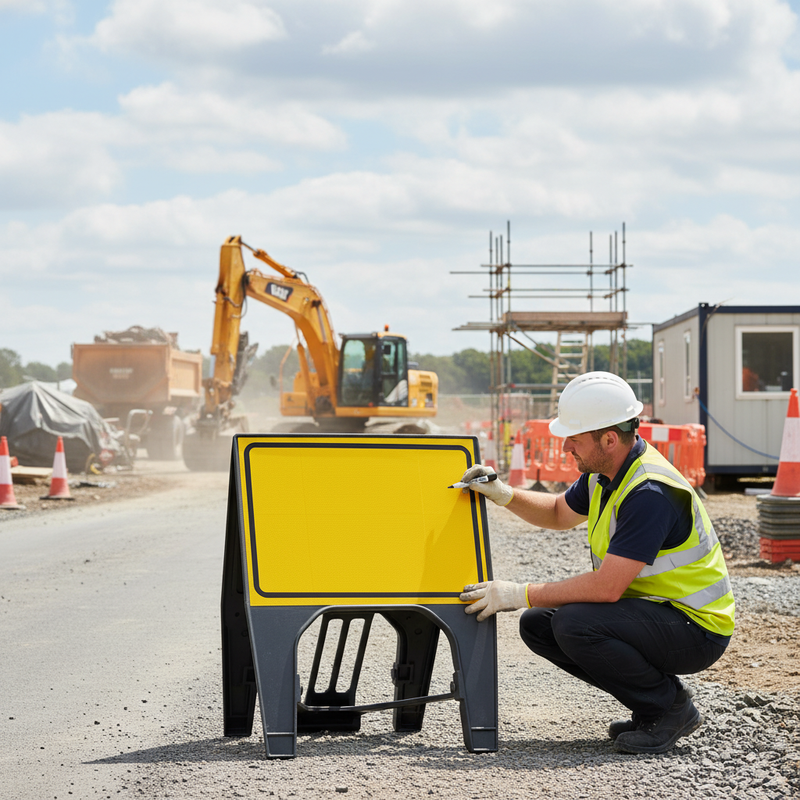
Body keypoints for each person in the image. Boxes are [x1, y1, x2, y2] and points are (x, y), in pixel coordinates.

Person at [457, 371, 734, 755]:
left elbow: (606, 588)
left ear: (609, 438)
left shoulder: (649, 493)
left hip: (696, 628)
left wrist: (517, 593)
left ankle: (671, 708)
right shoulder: (606, 473)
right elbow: (557, 512)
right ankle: (651, 705)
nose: (567, 446)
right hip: (659, 613)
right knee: (539, 624)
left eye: (574, 437)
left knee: (573, 623)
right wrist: (502, 494)